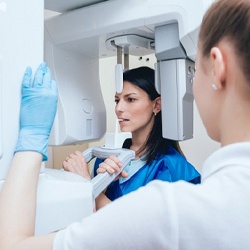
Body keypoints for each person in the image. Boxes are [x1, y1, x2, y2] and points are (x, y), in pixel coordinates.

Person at [1, 0, 250, 248]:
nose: (120, 108)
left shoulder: (172, 197)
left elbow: (13, 245)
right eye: (117, 100)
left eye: (195, 70)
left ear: (218, 67)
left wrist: (32, 141)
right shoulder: (107, 161)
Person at [62, 67, 200, 210]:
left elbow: (139, 229)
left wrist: (87, 186)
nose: (118, 108)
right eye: (117, 100)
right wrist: (101, 186)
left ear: (156, 105)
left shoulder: (171, 167)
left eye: (130, 99)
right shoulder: (106, 158)